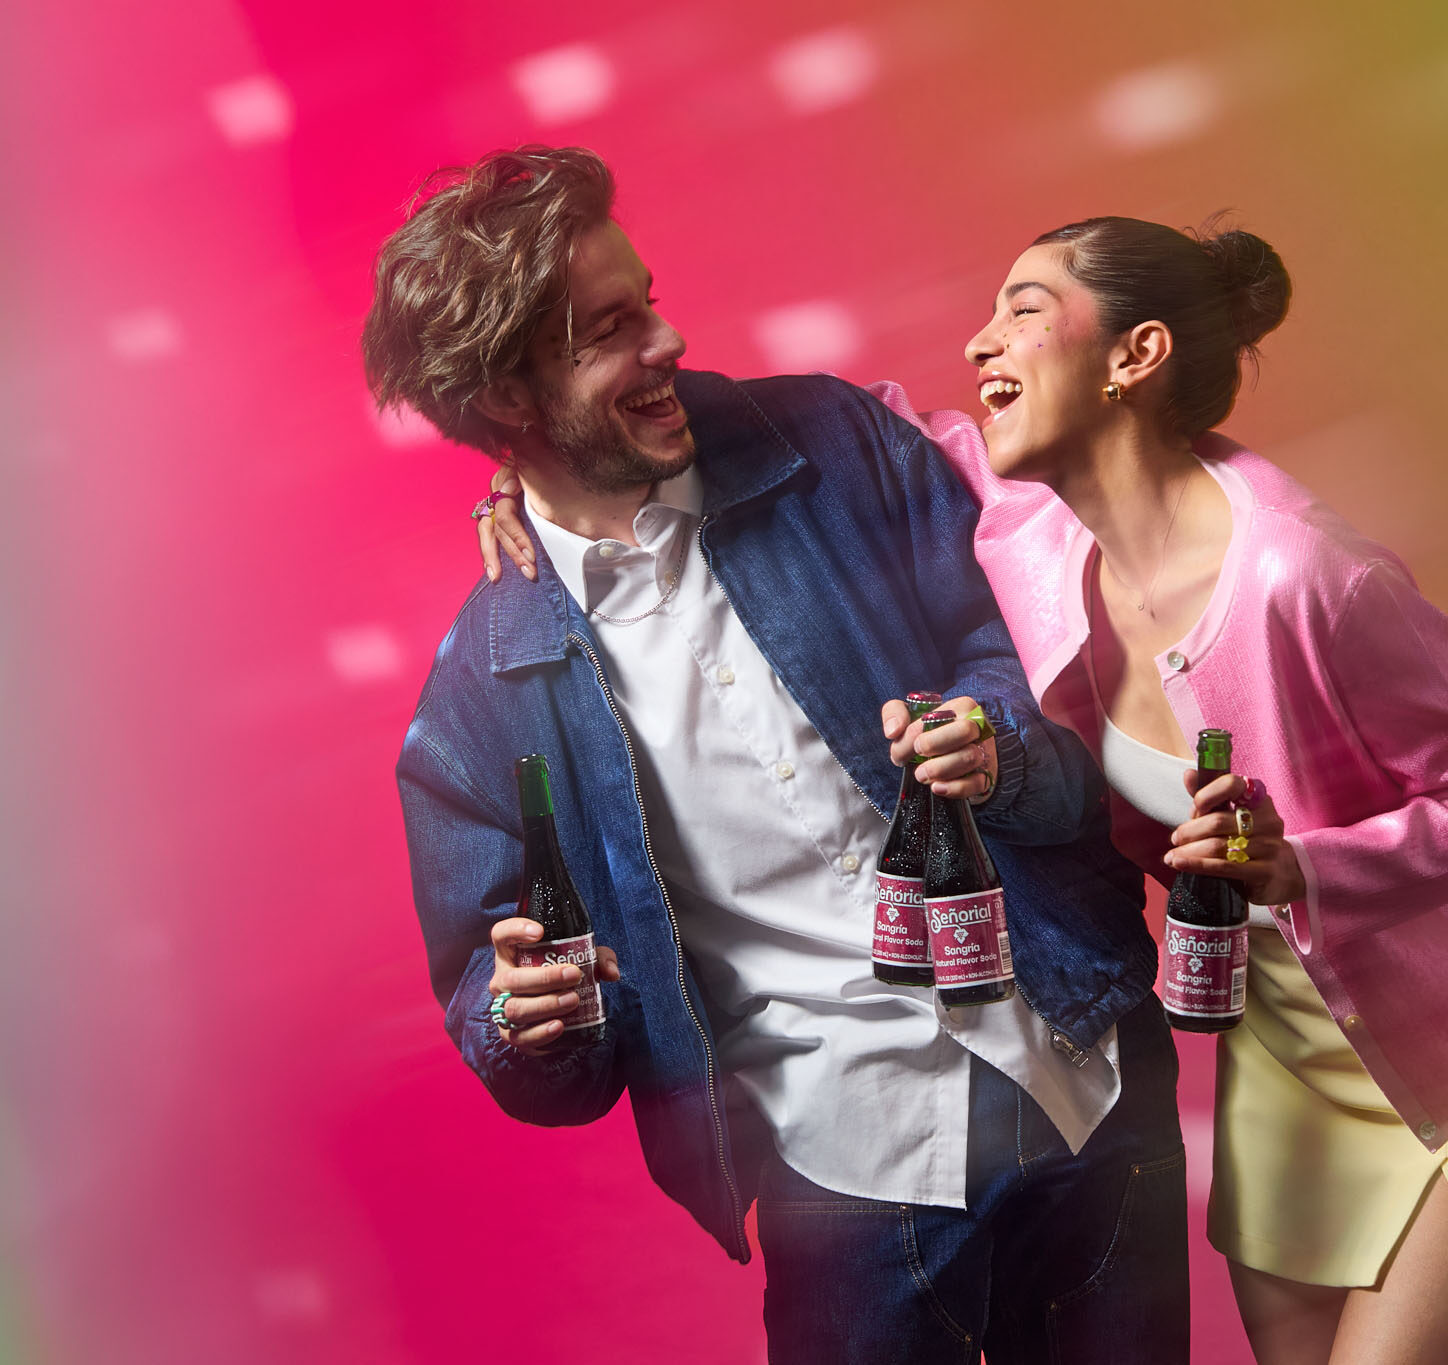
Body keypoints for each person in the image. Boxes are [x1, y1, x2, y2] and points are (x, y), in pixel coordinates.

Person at [479, 212, 1448, 1365]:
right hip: (1284, 1062)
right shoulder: (1020, 521)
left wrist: (1303, 866)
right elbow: (817, 423)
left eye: (1023, 309)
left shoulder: (1306, 576)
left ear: (1135, 355)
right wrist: (539, 478)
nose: (978, 343)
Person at [369, 147, 1190, 1365]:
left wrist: (994, 741)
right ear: (506, 402)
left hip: (1086, 1074)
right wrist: (521, 1017)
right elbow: (525, 1033)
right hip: (848, 1175)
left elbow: (1021, 656)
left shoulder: (838, 443)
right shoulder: (481, 698)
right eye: (609, 329)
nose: (666, 336)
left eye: (644, 297)